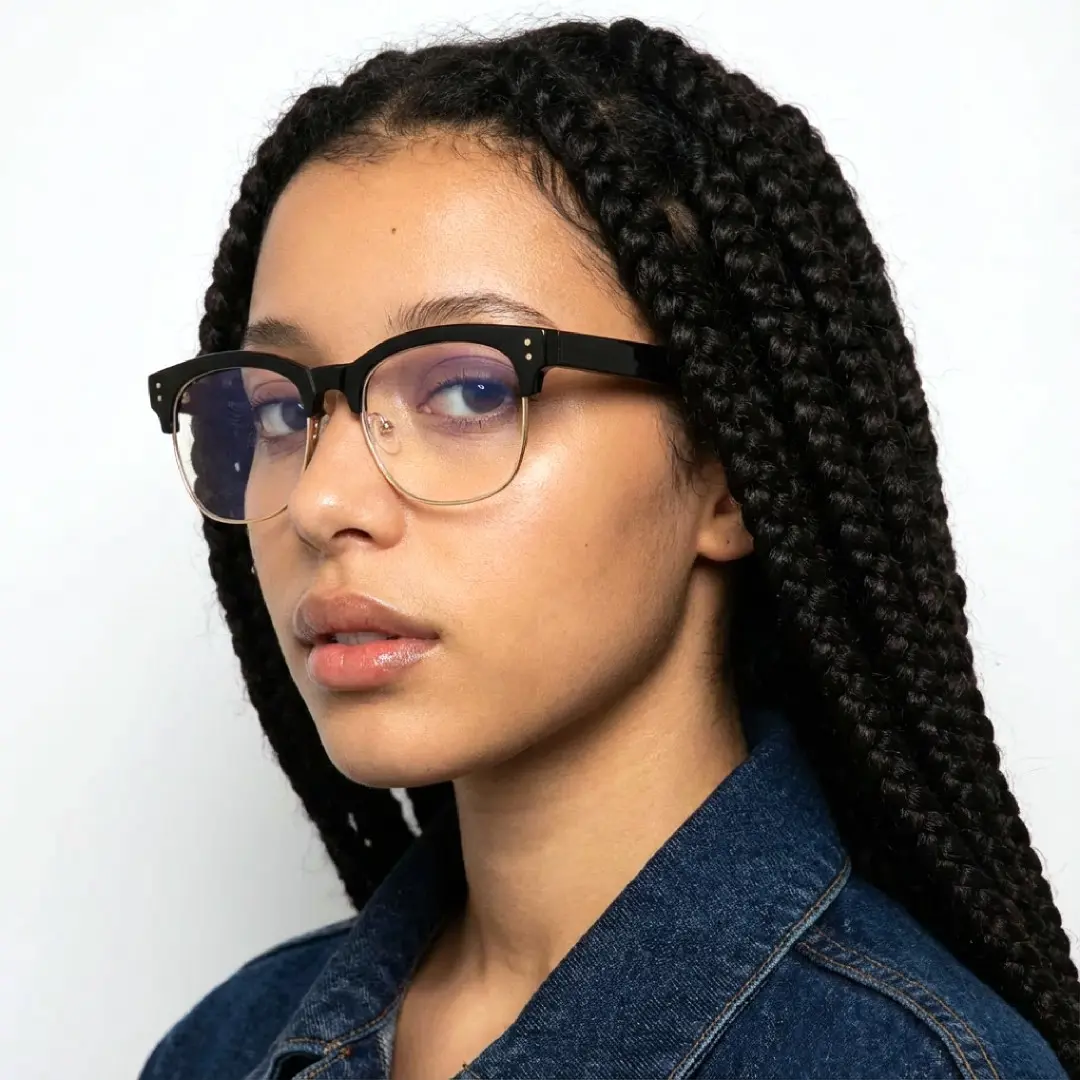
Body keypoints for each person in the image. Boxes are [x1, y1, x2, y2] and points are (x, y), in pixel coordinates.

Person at [136, 16, 1077, 1079]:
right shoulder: (223, 1048)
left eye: (469, 390)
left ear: (729, 470)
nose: (319, 500)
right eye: (274, 412)